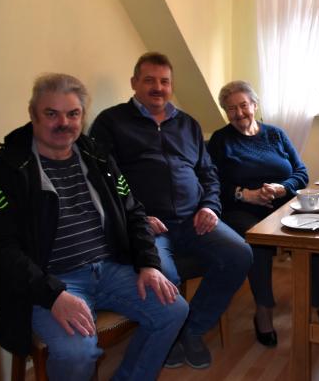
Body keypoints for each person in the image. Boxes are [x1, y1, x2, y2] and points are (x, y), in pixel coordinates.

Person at [0, 73, 188, 380]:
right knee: (78, 353)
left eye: (73, 114)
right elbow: (1, 250)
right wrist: (53, 295)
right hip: (51, 280)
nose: (64, 123)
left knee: (174, 310)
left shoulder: (97, 156)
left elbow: (134, 212)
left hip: (110, 269)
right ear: (33, 114)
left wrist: (148, 264)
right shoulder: (2, 171)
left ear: (82, 116)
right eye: (52, 114)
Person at [89, 53, 252, 369]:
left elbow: (208, 173)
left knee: (239, 254)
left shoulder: (188, 123)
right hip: (147, 225)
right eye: (149, 80)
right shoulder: (111, 123)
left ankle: (190, 329)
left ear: (171, 85)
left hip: (194, 220)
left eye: (164, 81)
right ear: (134, 83)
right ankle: (170, 331)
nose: (158, 87)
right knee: (166, 275)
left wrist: (210, 206)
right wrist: (134, 218)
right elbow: (101, 181)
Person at [207, 80, 319, 347]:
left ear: (254, 105)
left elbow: (301, 173)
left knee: (310, 232)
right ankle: (263, 310)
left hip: (282, 204)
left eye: (243, 105)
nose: (239, 113)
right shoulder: (220, 141)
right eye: (231, 108)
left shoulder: (275, 134)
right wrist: (246, 194)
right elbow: (212, 183)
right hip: (241, 208)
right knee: (259, 239)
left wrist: (281, 188)